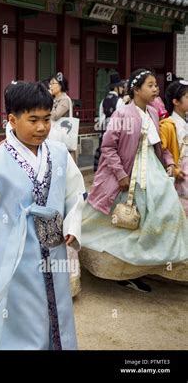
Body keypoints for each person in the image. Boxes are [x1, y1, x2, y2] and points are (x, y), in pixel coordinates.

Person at [0, 81, 85, 350]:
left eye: (46, 119)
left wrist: (73, 224)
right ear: (13, 120)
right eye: (33, 120)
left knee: (51, 310)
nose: (42, 127)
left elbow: (76, 193)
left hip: (52, 250)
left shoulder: (60, 154)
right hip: (11, 257)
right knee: (15, 316)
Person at [80, 69, 188, 293]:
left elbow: (160, 147)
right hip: (130, 173)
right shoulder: (123, 114)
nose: (156, 89)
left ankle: (147, 263)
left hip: (153, 170)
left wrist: (168, 162)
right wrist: (121, 175)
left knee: (163, 211)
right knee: (126, 222)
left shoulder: (152, 112)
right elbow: (108, 147)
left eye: (156, 85)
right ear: (136, 90)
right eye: (150, 85)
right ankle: (122, 270)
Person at [160, 80, 188, 215]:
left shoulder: (184, 123)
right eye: (187, 97)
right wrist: (174, 169)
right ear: (176, 102)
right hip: (179, 177)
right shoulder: (167, 125)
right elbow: (161, 151)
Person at [94, 72, 126, 171]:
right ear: (117, 88)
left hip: (104, 132)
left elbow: (101, 117)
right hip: (114, 133)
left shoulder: (103, 101)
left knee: (103, 155)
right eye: (121, 87)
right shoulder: (119, 101)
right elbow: (122, 120)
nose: (122, 89)